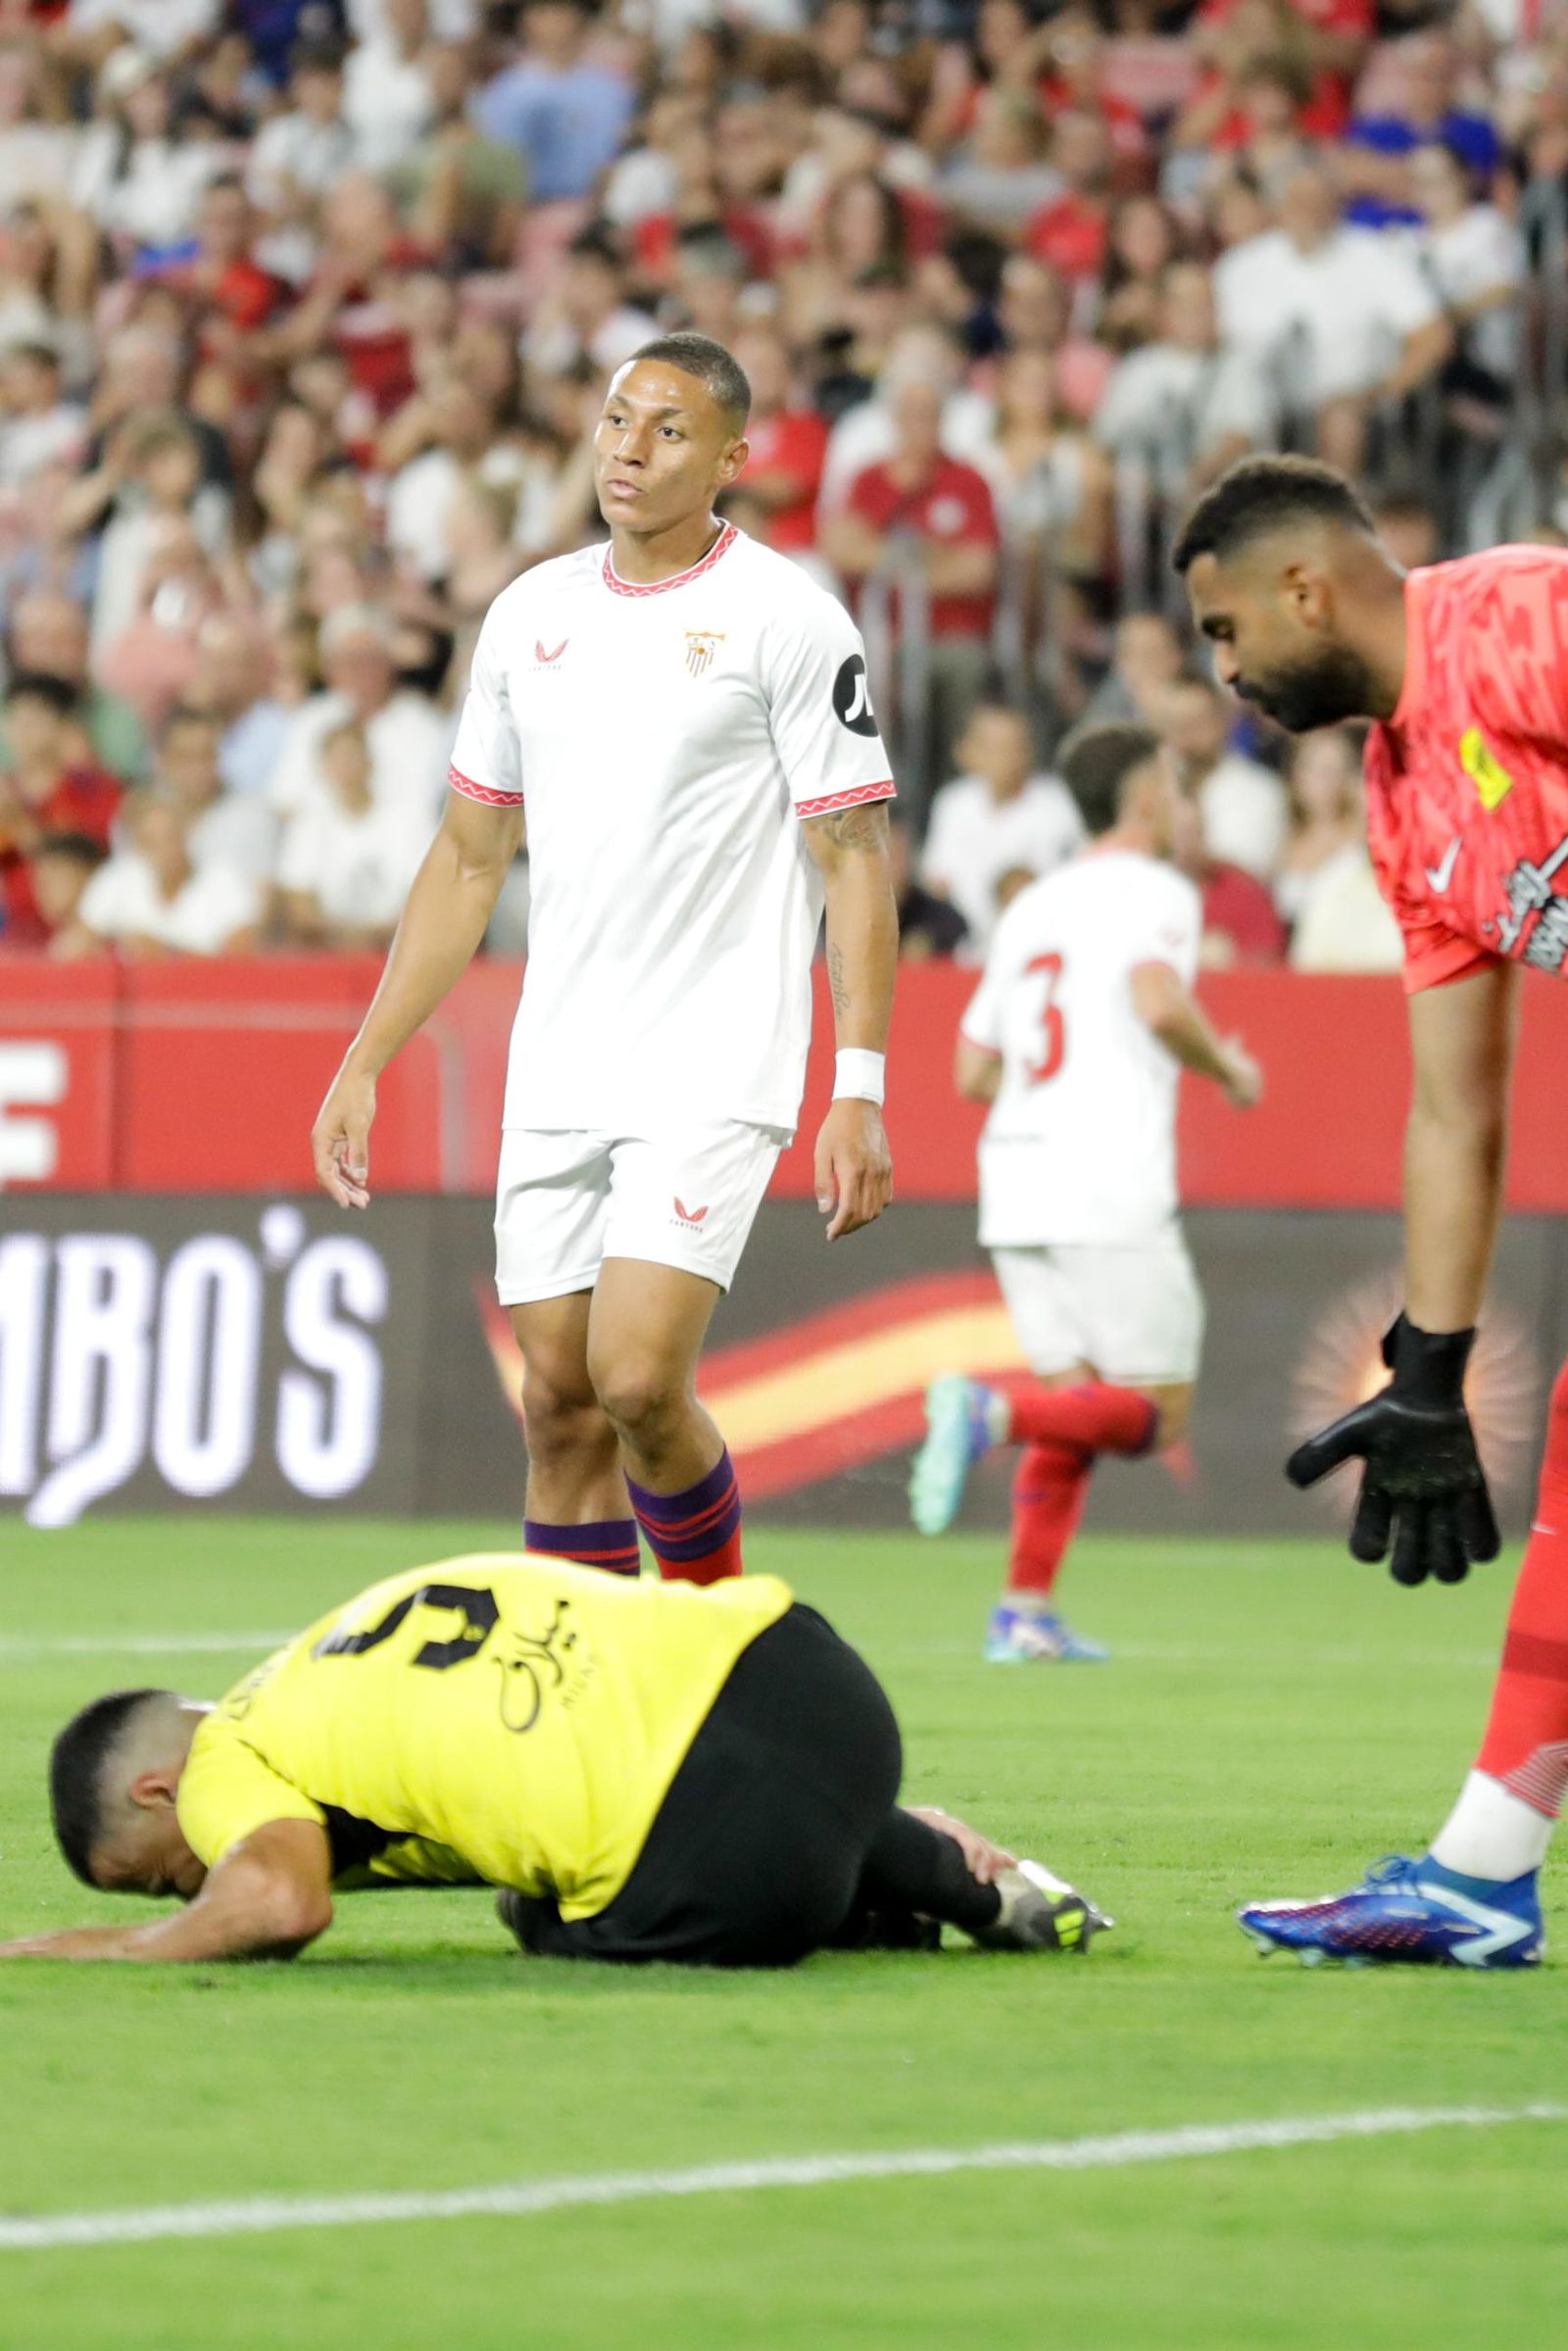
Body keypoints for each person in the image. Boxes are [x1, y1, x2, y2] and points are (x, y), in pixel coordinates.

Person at [310, 332, 898, 1593]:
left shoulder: (787, 619)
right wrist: (366, 1056)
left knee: (637, 1376)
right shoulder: (532, 613)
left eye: (669, 429)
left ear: (734, 459)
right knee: (561, 1407)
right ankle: (579, 1714)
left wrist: (860, 1082)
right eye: (618, 420)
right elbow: (470, 857)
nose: (629, 448)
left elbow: (853, 854)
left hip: (713, 1055)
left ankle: (724, 1656)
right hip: (563, 1060)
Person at [1176, 452, 1568, 1967]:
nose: (1228, 673)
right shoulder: (1405, 809)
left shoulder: (1517, 621)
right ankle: (1484, 1871)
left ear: (1304, 588)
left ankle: (1484, 1875)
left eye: (1225, 633)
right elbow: (1455, 1108)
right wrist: (1431, 1360)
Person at [1, 1551, 1109, 1966]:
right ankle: (963, 1875)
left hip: (725, 1856)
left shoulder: (226, 1759)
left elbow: (277, 1902)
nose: (186, 1874)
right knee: (660, 1807)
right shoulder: (323, 1654)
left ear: (159, 1788)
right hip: (816, 1682)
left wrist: (120, 1942)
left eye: (156, 1869)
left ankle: (866, 1891)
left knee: (539, 1916)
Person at [908, 723, 1262, 1663]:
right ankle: (990, 1414)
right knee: (1154, 1414)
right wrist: (1225, 1065)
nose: (1186, 809)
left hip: (1014, 1173)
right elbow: (1155, 999)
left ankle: (1023, 1611)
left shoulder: (1038, 903)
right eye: (1178, 790)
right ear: (1144, 797)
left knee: (1081, 1408)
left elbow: (972, 1067)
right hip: (1104, 1175)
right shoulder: (1157, 891)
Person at [919, 702, 1083, 960]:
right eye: (993, 747)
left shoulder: (1056, 807)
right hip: (963, 954)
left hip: (1037, 951)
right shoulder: (953, 804)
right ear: (966, 751)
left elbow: (1063, 892)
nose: (1006, 757)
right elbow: (936, 882)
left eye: (1014, 746)